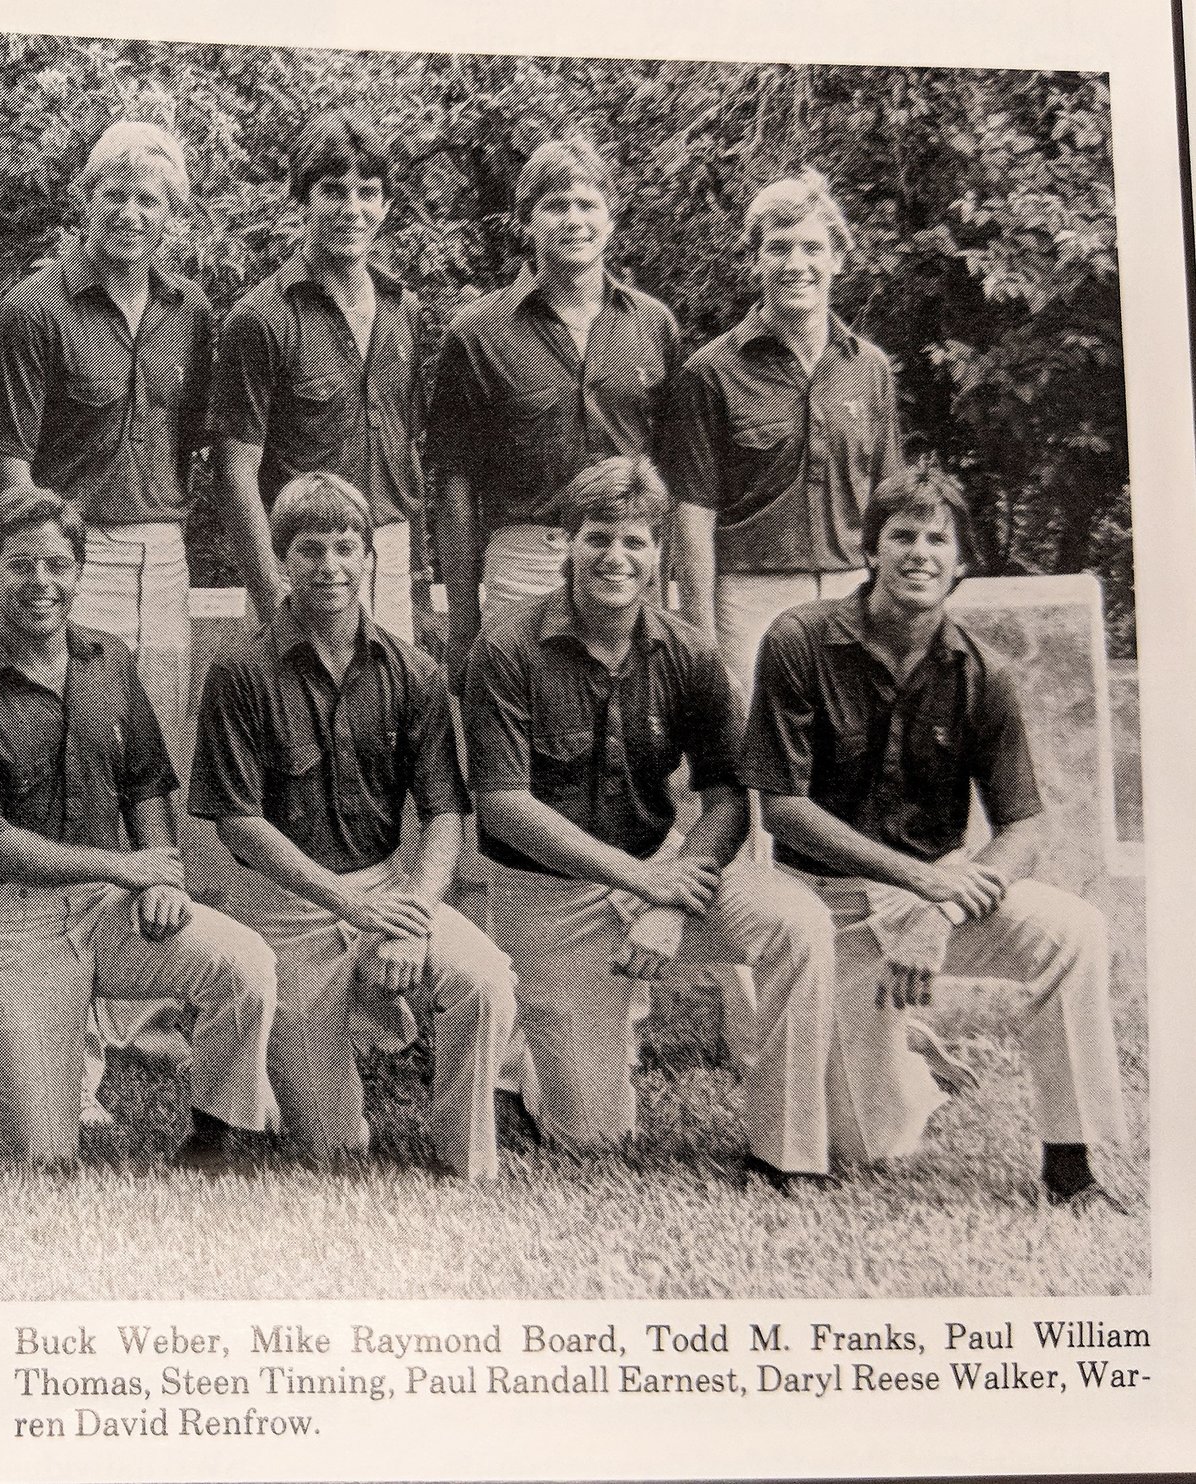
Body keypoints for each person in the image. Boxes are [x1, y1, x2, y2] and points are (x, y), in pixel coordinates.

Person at [741, 467, 1128, 1207]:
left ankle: (1071, 1170)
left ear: (961, 562)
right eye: (903, 535)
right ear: (871, 550)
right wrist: (922, 883)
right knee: (866, 1146)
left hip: (934, 901)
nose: (920, 552)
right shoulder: (799, 639)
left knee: (1072, 930)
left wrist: (941, 907)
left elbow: (1023, 823)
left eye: (937, 539)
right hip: (831, 904)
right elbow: (781, 809)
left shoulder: (984, 673)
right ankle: (908, 1056)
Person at [462, 456, 834, 1182]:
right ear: (566, 543)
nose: (616, 557)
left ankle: (788, 1152)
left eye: (636, 541)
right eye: (599, 537)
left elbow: (728, 793)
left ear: (660, 553)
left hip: (666, 868)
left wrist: (669, 895)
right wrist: (645, 881)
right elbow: (503, 808)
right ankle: (537, 1071)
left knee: (800, 923)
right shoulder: (505, 649)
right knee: (592, 1138)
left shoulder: (689, 652)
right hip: (552, 896)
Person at [0, 487, 276, 1169]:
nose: (40, 583)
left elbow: (144, 782)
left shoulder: (109, 659)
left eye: (57, 564)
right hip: (14, 921)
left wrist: (160, 874)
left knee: (244, 964)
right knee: (43, 1158)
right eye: (20, 566)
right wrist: (123, 869)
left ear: (80, 572)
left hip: (112, 907)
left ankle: (216, 1138)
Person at [0, 118, 211, 1121]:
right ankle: (67, 1047)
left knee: (148, 767)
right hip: (75, 555)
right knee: (73, 784)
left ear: (173, 213)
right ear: (85, 196)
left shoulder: (193, 309)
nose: (129, 211)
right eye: (113, 190)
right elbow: (8, 461)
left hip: (164, 552)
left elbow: (190, 442)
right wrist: (36, 573)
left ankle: (143, 1012)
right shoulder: (32, 309)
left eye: (149, 196)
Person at [189, 473, 514, 1179]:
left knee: (484, 977)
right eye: (310, 549)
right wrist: (350, 906)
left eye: (346, 547)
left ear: (370, 556)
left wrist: (412, 917)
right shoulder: (240, 671)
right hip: (286, 909)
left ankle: (467, 1155)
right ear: (281, 559)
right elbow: (239, 823)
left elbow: (445, 814)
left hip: (391, 892)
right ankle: (284, 1078)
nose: (330, 567)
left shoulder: (415, 671)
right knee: (332, 1152)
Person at [427, 137, 682, 660]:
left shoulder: (653, 325)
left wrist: (662, 573)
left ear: (611, 221)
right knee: (523, 717)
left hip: (626, 552)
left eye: (588, 204)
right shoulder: (479, 333)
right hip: (525, 558)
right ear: (527, 222)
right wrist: (462, 618)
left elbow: (674, 466)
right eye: (555, 205)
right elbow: (453, 482)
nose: (574, 220)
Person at [663, 168, 901, 692]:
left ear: (837, 259)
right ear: (756, 261)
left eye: (812, 247)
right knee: (758, 755)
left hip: (851, 590)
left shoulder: (870, 368)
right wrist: (702, 637)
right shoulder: (711, 372)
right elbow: (692, 516)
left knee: (849, 752)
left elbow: (890, 501)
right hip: (748, 597)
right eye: (779, 248)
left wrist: (892, 608)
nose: (797, 264)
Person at [212, 108, 425, 639]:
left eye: (368, 192)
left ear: (385, 205)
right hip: (304, 561)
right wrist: (273, 596)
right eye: (333, 191)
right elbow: (236, 471)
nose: (352, 209)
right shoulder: (261, 318)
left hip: (389, 556)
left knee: (388, 716)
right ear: (303, 200)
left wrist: (418, 579)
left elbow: (410, 452)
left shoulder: (404, 310)